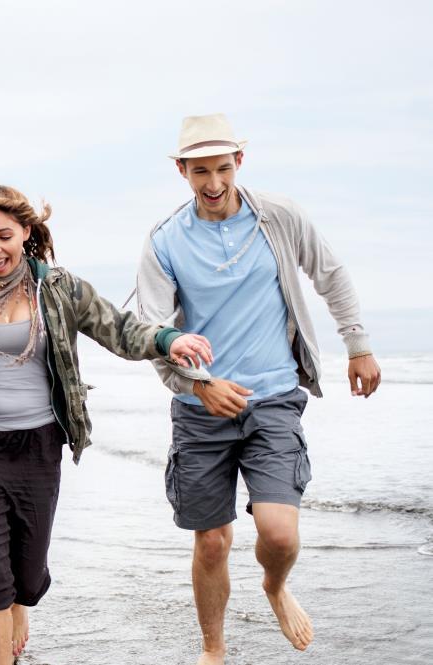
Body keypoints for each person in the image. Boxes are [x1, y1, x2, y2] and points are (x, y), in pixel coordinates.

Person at [0, 184, 213, 665]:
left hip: (40, 446)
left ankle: (21, 604)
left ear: (25, 233)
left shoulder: (58, 289)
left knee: (28, 576)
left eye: (4, 236)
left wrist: (168, 339)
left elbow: (119, 328)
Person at [137, 114, 382, 664]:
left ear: (239, 163)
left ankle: (274, 585)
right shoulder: (165, 241)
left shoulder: (279, 216)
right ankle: (214, 650)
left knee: (280, 535)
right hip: (199, 410)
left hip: (273, 398)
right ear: (182, 171)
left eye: (223, 168)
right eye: (201, 171)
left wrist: (358, 344)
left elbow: (331, 274)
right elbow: (150, 332)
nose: (214, 183)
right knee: (212, 541)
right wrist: (199, 387)